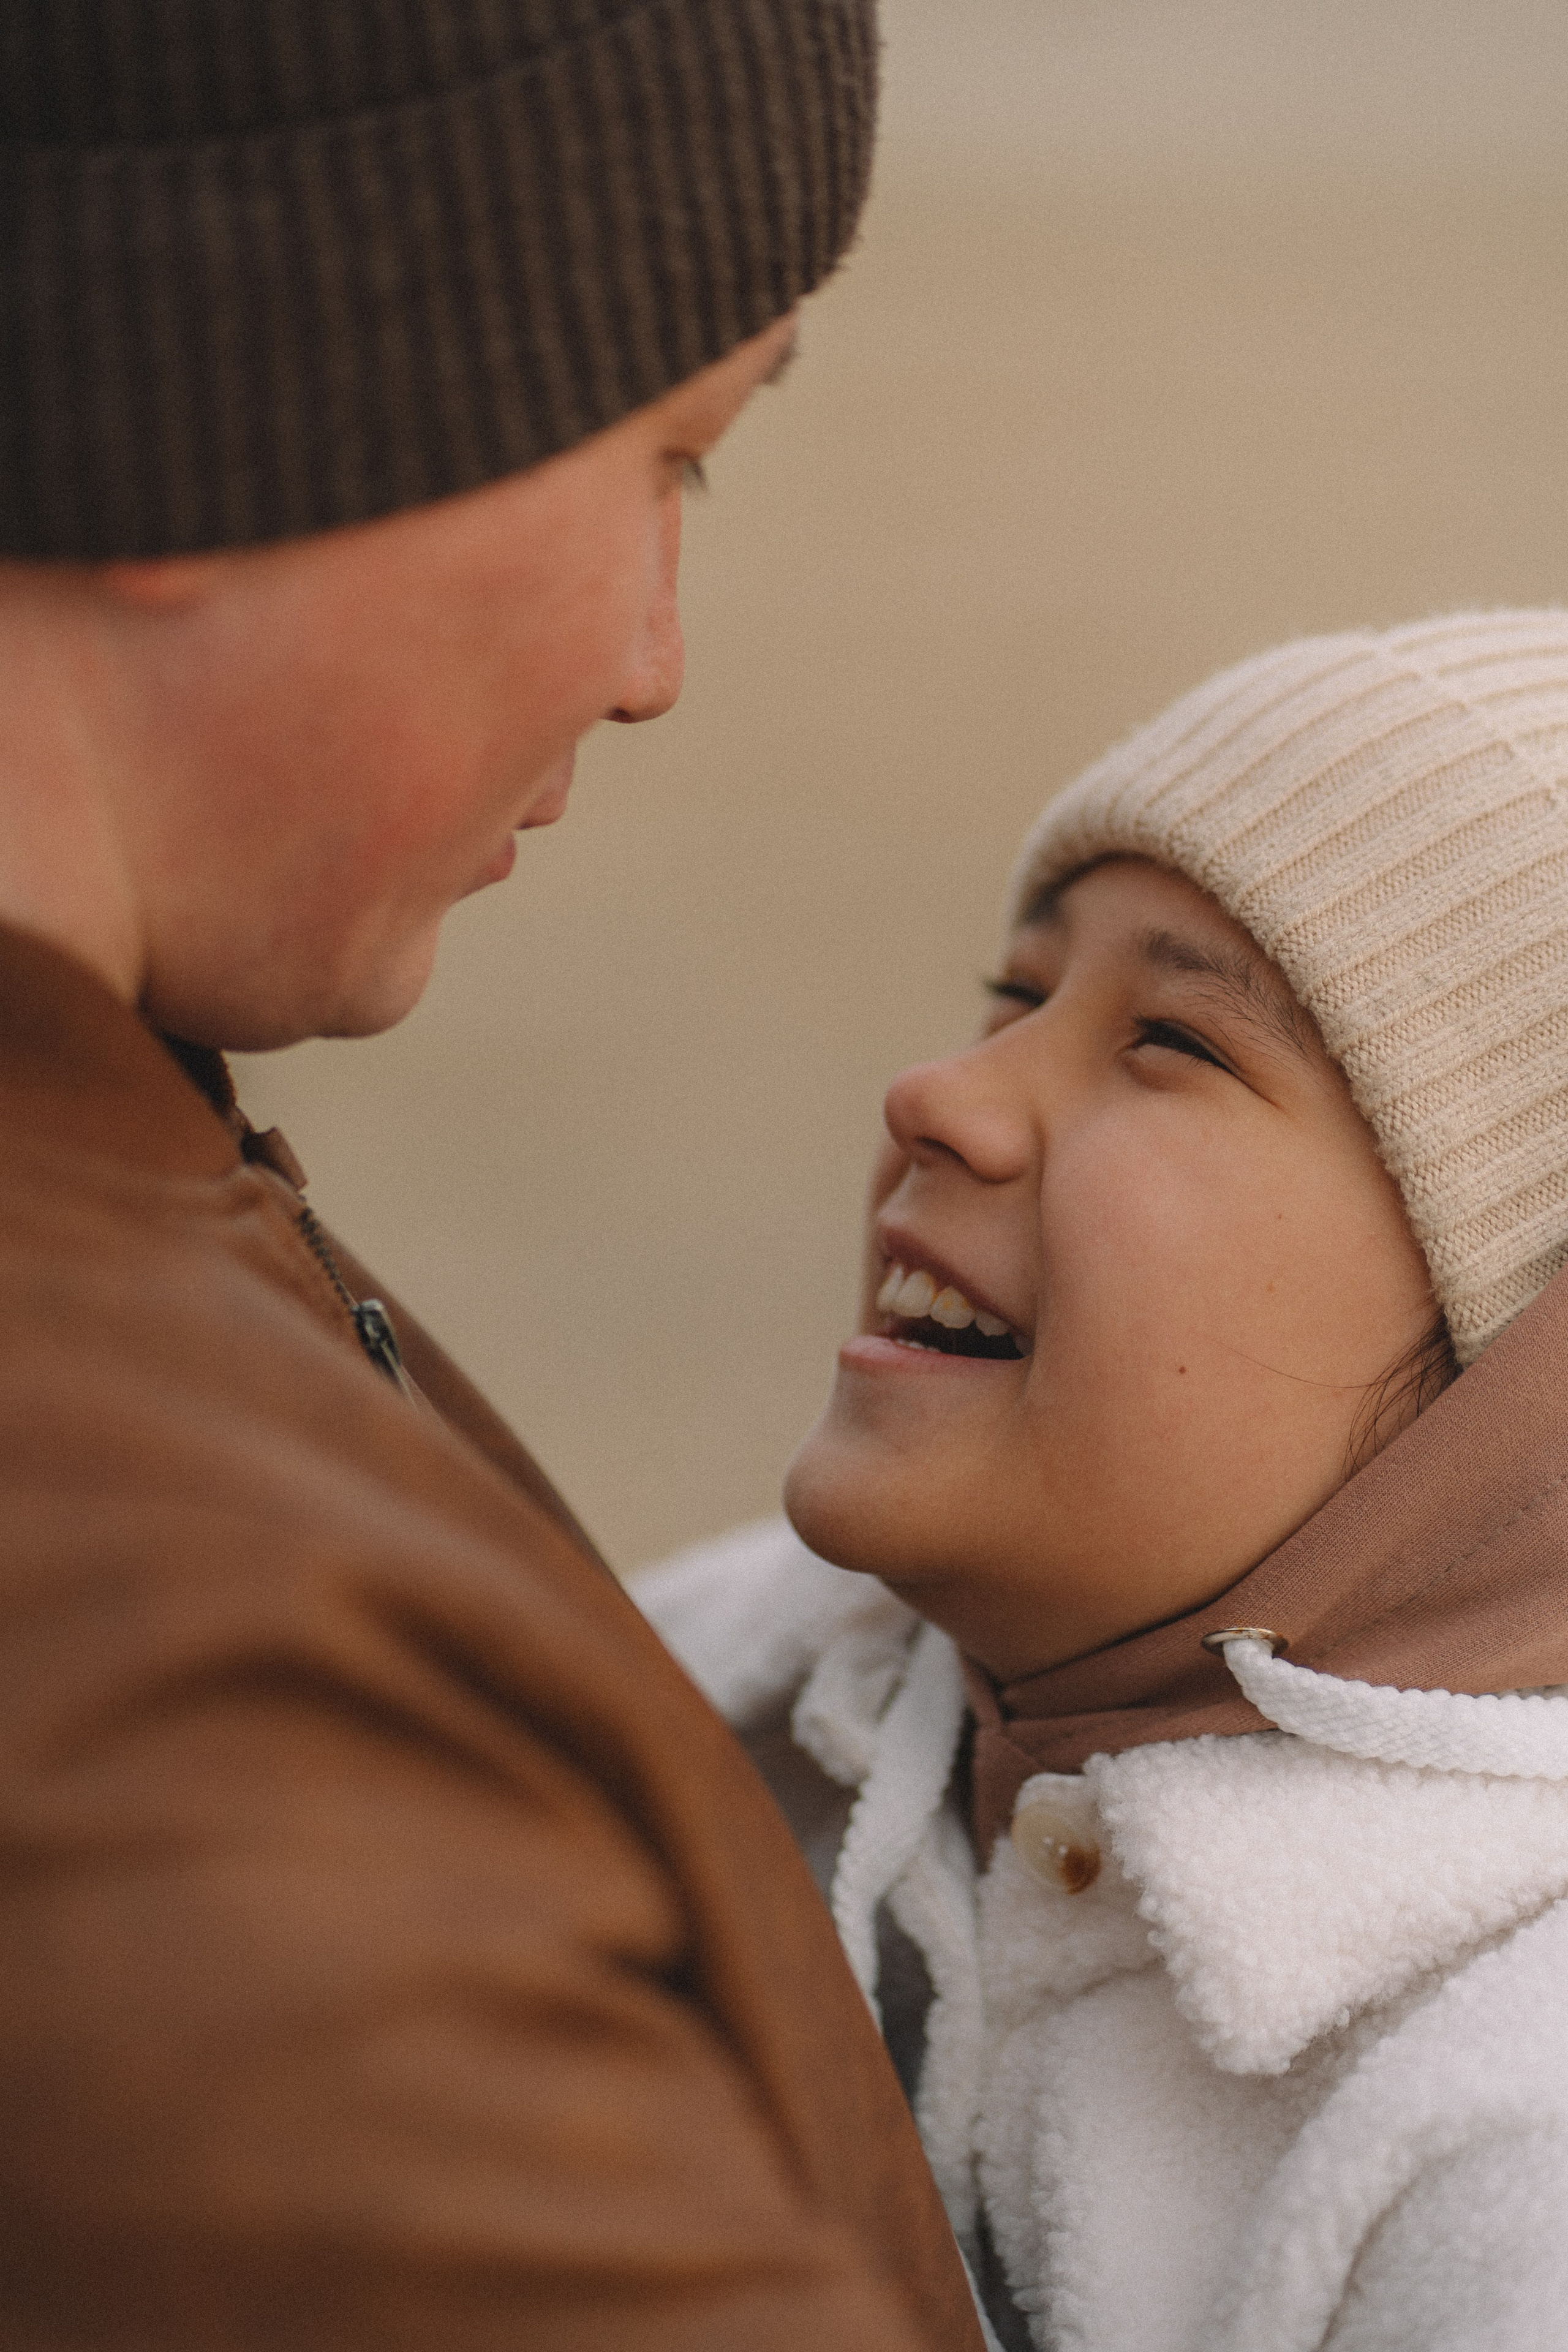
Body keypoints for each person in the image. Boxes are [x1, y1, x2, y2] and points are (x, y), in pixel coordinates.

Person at [0, 6, 989, 2348]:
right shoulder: (152, 1679)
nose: (653, 662)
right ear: (221, 385)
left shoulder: (123, 1146)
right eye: (670, 453)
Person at [638, 610, 1568, 2351]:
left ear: (1523, 1393)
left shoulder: (1522, 2134)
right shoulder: (687, 1696)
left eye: (1174, 1045)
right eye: (1017, 996)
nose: (943, 1095)